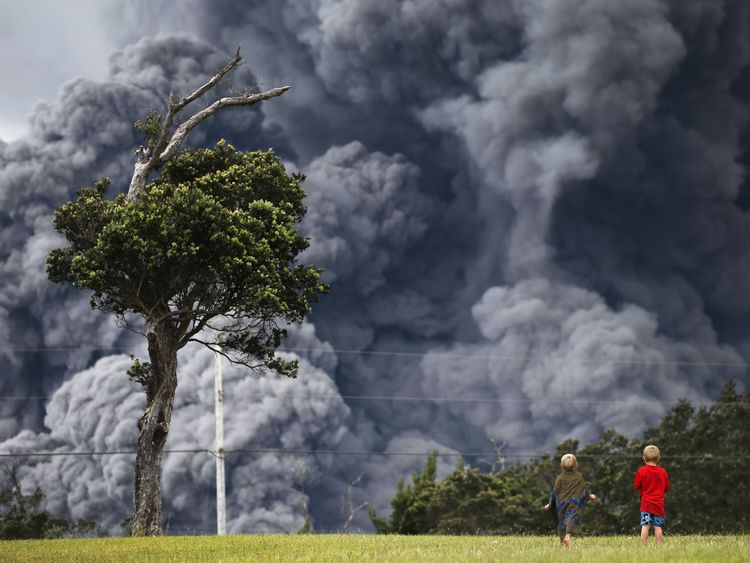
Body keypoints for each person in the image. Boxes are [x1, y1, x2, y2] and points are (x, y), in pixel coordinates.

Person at [544, 453, 596, 548]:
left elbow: (555, 493)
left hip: (561, 505)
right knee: (570, 523)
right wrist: (590, 496)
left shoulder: (559, 478)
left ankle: (565, 544)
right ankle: (568, 538)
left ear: (561, 466)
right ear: (576, 465)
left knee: (561, 525)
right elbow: (583, 490)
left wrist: (550, 504)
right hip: (574, 505)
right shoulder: (579, 477)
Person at [634, 444, 670, 546]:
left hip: (646, 504)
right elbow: (666, 487)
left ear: (644, 458)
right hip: (658, 504)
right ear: (658, 458)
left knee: (645, 526)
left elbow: (636, 486)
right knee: (657, 526)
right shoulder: (663, 471)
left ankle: (644, 545)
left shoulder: (641, 471)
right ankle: (659, 544)